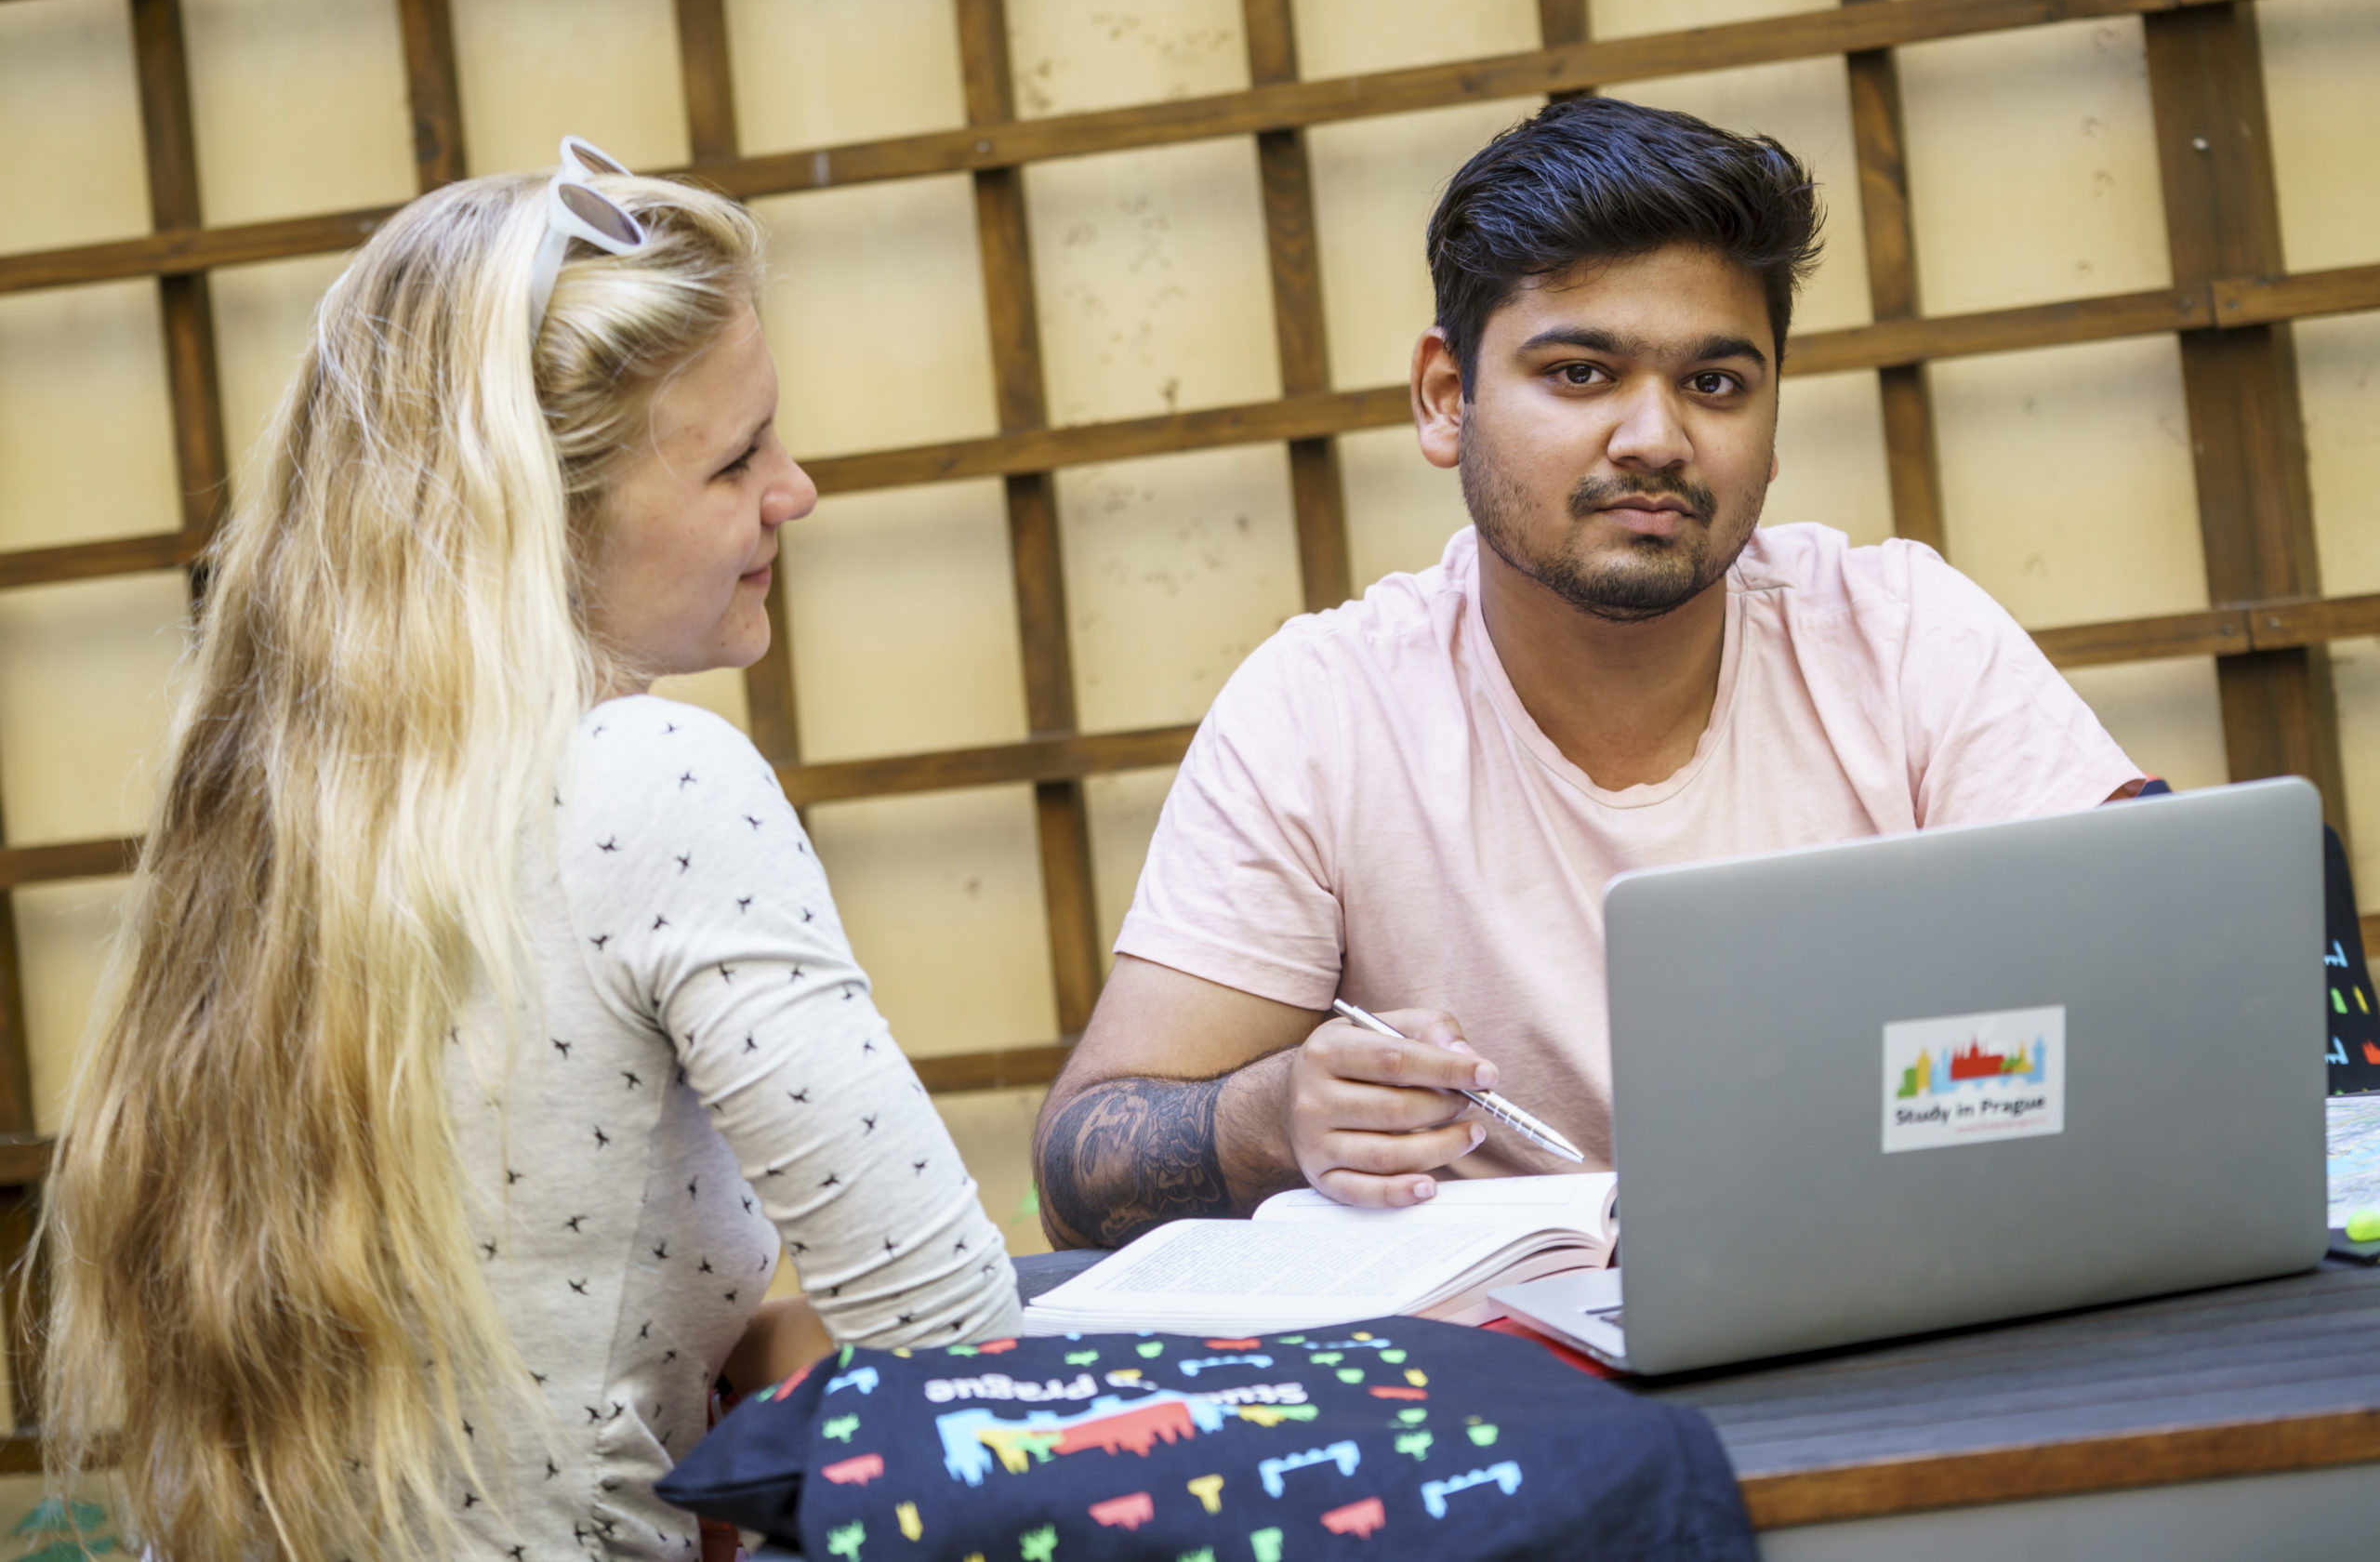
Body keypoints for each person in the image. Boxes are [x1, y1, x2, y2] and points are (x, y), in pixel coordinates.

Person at [38, 142, 1019, 1562]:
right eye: (736, 458)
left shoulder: (270, 814)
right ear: (540, 517)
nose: (795, 491)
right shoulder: (650, 778)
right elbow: (950, 1340)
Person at [1033, 96, 2145, 1251]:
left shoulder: (1901, 638)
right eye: (1579, 373)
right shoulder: (1323, 709)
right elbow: (1076, 1174)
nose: (1655, 438)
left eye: (1716, 384)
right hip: (1496, 1343)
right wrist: (1271, 1116)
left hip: (1902, 1286)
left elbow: (2166, 988)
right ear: (1446, 398)